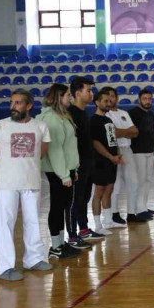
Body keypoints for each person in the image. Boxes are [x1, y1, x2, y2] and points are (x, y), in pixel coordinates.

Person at [0, 89, 53, 281]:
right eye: (11, 103)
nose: (12, 107)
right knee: (4, 224)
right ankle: (6, 267)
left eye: (17, 103)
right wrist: (7, 170)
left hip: (32, 182)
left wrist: (26, 168)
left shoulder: (40, 127)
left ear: (29, 106)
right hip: (7, 183)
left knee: (33, 221)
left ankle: (33, 259)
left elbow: (40, 153)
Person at [37, 84, 82, 259]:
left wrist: (73, 169)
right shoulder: (51, 119)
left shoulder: (62, 116)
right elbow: (55, 150)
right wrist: (63, 174)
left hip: (67, 169)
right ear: (58, 96)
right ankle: (55, 247)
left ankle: (61, 243)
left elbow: (69, 146)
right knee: (57, 206)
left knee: (63, 205)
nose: (70, 98)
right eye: (68, 95)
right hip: (58, 171)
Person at [67, 76, 103, 245]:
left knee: (84, 198)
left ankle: (84, 229)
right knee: (76, 199)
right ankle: (73, 236)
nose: (91, 94)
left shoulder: (83, 113)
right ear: (77, 93)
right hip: (77, 165)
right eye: (88, 90)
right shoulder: (71, 114)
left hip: (88, 163)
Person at [89, 91, 122, 236]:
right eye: (105, 101)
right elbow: (95, 143)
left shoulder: (108, 120)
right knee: (99, 192)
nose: (108, 103)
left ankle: (108, 221)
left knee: (109, 190)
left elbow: (113, 140)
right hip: (101, 162)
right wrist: (110, 156)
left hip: (112, 161)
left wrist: (118, 153)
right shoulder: (94, 120)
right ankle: (97, 225)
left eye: (110, 101)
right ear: (97, 102)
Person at [102, 88, 136, 228]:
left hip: (127, 149)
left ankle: (132, 213)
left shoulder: (124, 113)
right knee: (115, 185)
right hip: (114, 150)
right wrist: (126, 131)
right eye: (107, 97)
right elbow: (113, 133)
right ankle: (114, 213)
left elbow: (135, 132)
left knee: (134, 181)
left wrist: (123, 132)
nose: (110, 99)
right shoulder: (105, 115)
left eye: (113, 96)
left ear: (117, 98)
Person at [127, 89, 154, 222]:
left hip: (149, 151)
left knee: (147, 180)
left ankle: (143, 206)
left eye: (149, 98)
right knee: (140, 181)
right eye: (145, 98)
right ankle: (139, 210)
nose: (147, 101)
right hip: (138, 152)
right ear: (139, 100)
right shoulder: (132, 113)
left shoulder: (151, 114)